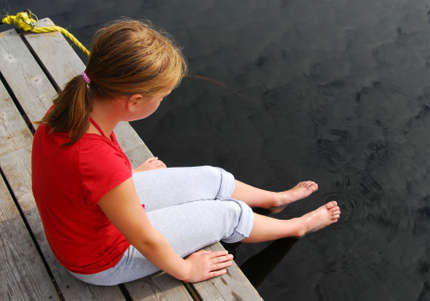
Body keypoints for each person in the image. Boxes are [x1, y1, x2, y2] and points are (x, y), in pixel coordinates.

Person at [31, 19, 341, 286]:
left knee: (212, 178)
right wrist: (186, 269)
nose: (163, 100)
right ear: (134, 101)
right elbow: (145, 239)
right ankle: (297, 227)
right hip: (102, 260)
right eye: (162, 96)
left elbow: (77, 176)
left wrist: (128, 178)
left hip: (89, 220)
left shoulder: (74, 106)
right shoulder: (99, 162)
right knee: (229, 215)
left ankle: (275, 200)